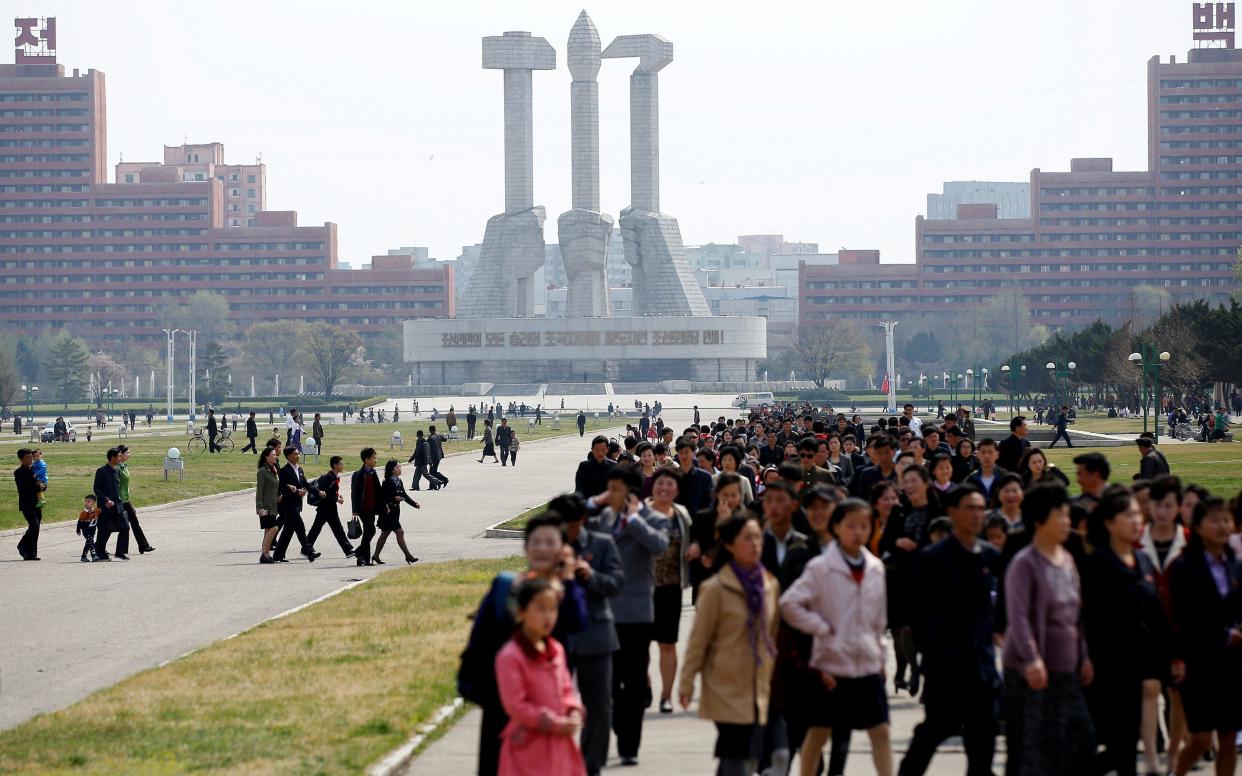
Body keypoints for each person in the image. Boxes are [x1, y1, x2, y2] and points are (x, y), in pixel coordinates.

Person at [458, 513, 587, 776]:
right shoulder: (507, 587)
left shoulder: (565, 591)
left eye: (550, 542)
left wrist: (570, 578)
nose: (542, 548)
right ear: (526, 548)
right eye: (536, 542)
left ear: (563, 549)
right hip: (505, 701)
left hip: (550, 704)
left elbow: (577, 622)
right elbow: (480, 638)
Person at [780, 498, 893, 776]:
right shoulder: (821, 567)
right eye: (851, 525)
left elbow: (879, 618)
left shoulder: (876, 568)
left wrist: (881, 654)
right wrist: (821, 628)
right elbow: (789, 604)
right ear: (837, 527)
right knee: (818, 732)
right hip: (831, 664)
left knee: (880, 731)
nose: (858, 531)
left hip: (866, 662)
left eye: (864, 526)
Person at [898, 485, 1000, 776]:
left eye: (981, 508)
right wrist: (928, 656)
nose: (977, 515)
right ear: (953, 512)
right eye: (970, 508)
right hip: (946, 669)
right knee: (930, 735)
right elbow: (917, 614)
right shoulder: (933, 558)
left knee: (982, 749)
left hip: (983, 670)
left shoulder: (991, 557)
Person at [1000, 482, 1096, 775]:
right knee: (1033, 752)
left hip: (1067, 671)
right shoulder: (1024, 564)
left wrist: (1084, 655)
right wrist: (1031, 660)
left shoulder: (1066, 559)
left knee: (1082, 741)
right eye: (1060, 516)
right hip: (1033, 674)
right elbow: (1018, 619)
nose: (1067, 522)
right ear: (1040, 520)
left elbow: (1075, 615)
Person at [679, 514, 779, 776]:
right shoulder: (715, 589)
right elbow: (698, 640)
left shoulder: (770, 585)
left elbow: (774, 635)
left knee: (743, 755)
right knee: (738, 753)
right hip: (726, 686)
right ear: (730, 544)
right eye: (748, 538)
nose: (756, 544)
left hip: (760, 684)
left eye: (758, 537)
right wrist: (687, 682)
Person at [1083, 485, 1172, 776]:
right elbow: (1084, 619)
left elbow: (1156, 614)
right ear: (1109, 522)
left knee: (1123, 748)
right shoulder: (1097, 564)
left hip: (1137, 669)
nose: (1136, 521)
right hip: (1106, 672)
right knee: (1118, 747)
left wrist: (1171, 656)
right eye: (1128, 515)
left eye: (1137, 515)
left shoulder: (1142, 560)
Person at [587, 465, 669, 767]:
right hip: (606, 612)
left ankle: (629, 744)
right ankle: (620, 725)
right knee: (608, 683)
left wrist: (633, 519)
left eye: (617, 490)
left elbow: (659, 545)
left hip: (636, 614)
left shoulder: (653, 519)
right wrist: (596, 502)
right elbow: (570, 520)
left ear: (632, 493)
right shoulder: (602, 519)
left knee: (634, 682)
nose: (611, 496)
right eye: (609, 490)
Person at [1168, 496, 1241, 776]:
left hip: (1232, 663)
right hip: (1199, 661)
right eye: (1214, 520)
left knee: (1228, 739)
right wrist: (1223, 634)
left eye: (1226, 519)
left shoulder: (1234, 564)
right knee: (1200, 737)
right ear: (1197, 526)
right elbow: (1185, 617)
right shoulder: (1185, 567)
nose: (1222, 526)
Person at [553, 492, 623, 776]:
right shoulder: (548, 547)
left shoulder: (602, 543)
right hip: (556, 634)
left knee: (599, 703)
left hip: (596, 631)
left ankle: (591, 763)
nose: (563, 531)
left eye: (568, 524)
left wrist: (590, 575)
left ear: (582, 520)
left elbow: (617, 582)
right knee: (552, 702)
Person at [494, 576, 587, 776]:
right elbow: (515, 705)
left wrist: (573, 710)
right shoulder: (510, 656)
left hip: (561, 745)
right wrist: (552, 723)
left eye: (553, 609)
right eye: (541, 608)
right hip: (528, 747)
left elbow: (567, 688)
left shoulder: (556, 649)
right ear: (521, 612)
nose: (549, 616)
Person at [645, 467, 691, 716]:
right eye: (660, 484)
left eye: (669, 485)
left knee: (667, 644)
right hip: (642, 589)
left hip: (671, 589)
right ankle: (646, 687)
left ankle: (666, 696)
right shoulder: (640, 512)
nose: (664, 488)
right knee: (640, 645)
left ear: (677, 490)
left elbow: (690, 542)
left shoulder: (681, 515)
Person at [273, 446, 318, 563]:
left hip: (297, 505)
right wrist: (297, 491)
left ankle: (278, 555)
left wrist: (319, 492)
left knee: (288, 531)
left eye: (298, 454)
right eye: (295, 454)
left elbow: (306, 485)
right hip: (288, 505)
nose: (298, 456)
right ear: (289, 456)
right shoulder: (284, 471)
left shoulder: (300, 470)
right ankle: (308, 551)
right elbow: (282, 486)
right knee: (300, 528)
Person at [306, 455, 356, 559]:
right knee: (336, 529)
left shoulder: (334, 477)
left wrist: (337, 495)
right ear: (335, 465)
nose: (342, 465)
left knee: (318, 528)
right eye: (341, 464)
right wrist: (337, 499)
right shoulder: (329, 477)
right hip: (326, 507)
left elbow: (331, 491)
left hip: (328, 507)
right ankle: (348, 550)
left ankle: (306, 548)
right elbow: (323, 493)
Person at [374, 459, 420, 565]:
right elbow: (383, 497)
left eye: (400, 467)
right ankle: (408, 555)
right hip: (388, 512)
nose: (400, 469)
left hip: (395, 511)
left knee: (385, 533)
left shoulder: (399, 480)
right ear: (391, 470)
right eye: (397, 467)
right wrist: (394, 498)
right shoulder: (387, 481)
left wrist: (414, 503)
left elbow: (404, 495)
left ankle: (376, 555)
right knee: (400, 532)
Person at [92, 448, 129, 561]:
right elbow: (97, 489)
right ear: (112, 458)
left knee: (125, 527)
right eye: (118, 456)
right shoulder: (101, 471)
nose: (120, 458)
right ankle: (100, 553)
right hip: (105, 506)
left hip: (117, 505)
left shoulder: (117, 470)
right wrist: (106, 500)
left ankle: (120, 552)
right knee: (104, 530)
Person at [116, 445, 154, 554]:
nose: (129, 454)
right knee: (115, 526)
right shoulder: (117, 468)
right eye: (127, 452)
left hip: (126, 500)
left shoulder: (124, 466)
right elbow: (115, 485)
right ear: (121, 454)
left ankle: (143, 545)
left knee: (134, 522)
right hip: (120, 501)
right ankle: (100, 546)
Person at [350, 447, 383, 567]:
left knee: (368, 532)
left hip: (372, 508)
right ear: (366, 460)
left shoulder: (373, 473)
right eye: (374, 458)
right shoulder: (358, 475)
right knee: (371, 530)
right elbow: (354, 493)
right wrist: (354, 510)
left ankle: (363, 558)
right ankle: (360, 552)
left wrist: (383, 506)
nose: (376, 460)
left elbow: (378, 491)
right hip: (362, 508)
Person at [14, 448, 44, 561]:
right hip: (27, 503)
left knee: (36, 528)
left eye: (31, 457)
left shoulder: (34, 470)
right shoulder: (19, 472)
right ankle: (22, 545)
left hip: (37, 502)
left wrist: (43, 486)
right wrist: (38, 487)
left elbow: (40, 482)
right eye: (27, 457)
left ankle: (31, 554)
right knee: (34, 525)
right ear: (21, 459)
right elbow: (24, 488)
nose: (31, 459)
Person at [256, 446, 282, 563]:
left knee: (268, 530)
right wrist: (259, 506)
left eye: (275, 455)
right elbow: (259, 489)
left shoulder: (274, 470)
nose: (275, 456)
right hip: (265, 506)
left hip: (273, 506)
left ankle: (266, 554)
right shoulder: (262, 471)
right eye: (273, 455)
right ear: (266, 457)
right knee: (274, 528)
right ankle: (265, 554)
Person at [77, 494, 100, 562]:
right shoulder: (83, 513)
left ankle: (83, 556)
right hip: (86, 530)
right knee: (91, 541)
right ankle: (94, 555)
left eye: (88, 501)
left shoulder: (96, 511)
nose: (86, 503)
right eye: (85, 501)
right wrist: (78, 529)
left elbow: (101, 512)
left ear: (93, 503)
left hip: (92, 530)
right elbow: (80, 522)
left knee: (88, 543)